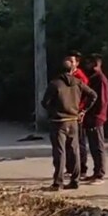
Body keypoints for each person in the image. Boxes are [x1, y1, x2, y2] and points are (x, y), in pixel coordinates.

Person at [41, 55, 97, 191]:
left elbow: (45, 102)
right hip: (73, 120)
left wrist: (53, 110)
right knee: (75, 151)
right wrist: (82, 110)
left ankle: (58, 182)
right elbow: (93, 95)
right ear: (72, 70)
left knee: (60, 152)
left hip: (58, 121)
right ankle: (75, 180)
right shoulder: (78, 82)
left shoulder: (55, 84)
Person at [82, 53, 108, 184]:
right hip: (90, 117)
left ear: (96, 64)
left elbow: (102, 100)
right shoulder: (93, 78)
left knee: (98, 146)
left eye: (89, 63)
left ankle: (100, 174)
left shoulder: (100, 79)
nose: (87, 66)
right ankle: (96, 172)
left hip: (96, 117)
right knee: (93, 146)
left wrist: (97, 116)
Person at [65, 50, 91, 179]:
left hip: (77, 113)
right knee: (69, 142)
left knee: (79, 141)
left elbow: (87, 95)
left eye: (72, 61)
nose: (68, 63)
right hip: (68, 113)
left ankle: (82, 168)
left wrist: (82, 110)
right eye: (67, 60)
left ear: (77, 63)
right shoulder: (66, 76)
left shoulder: (80, 77)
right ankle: (71, 167)